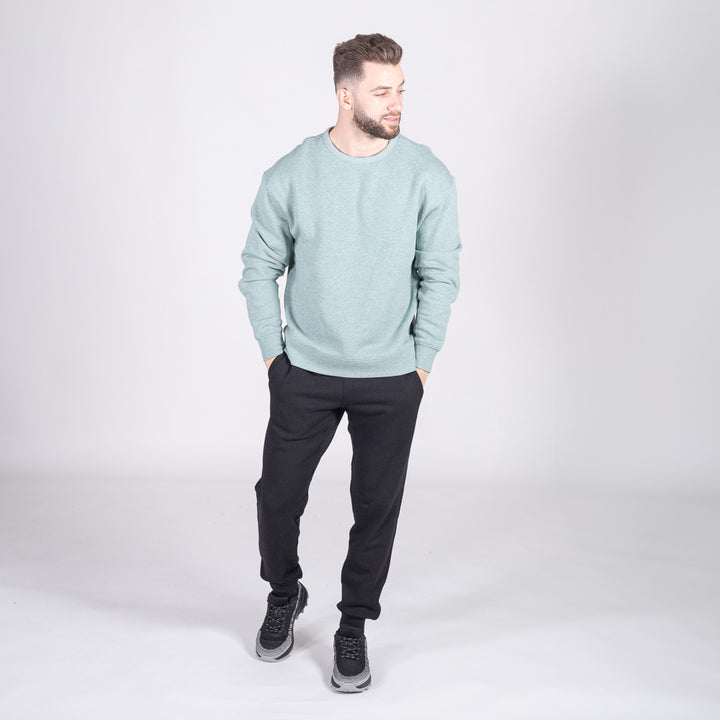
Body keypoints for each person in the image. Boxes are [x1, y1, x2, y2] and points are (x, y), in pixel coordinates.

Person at [238, 32, 461, 692]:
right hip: (305, 371)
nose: (396, 103)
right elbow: (258, 268)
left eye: (401, 90)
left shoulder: (427, 175)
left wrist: (421, 364)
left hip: (391, 375)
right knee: (277, 496)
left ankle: (354, 624)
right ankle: (285, 593)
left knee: (375, 508)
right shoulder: (291, 174)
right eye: (381, 91)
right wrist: (275, 357)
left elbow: (440, 274)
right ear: (345, 95)